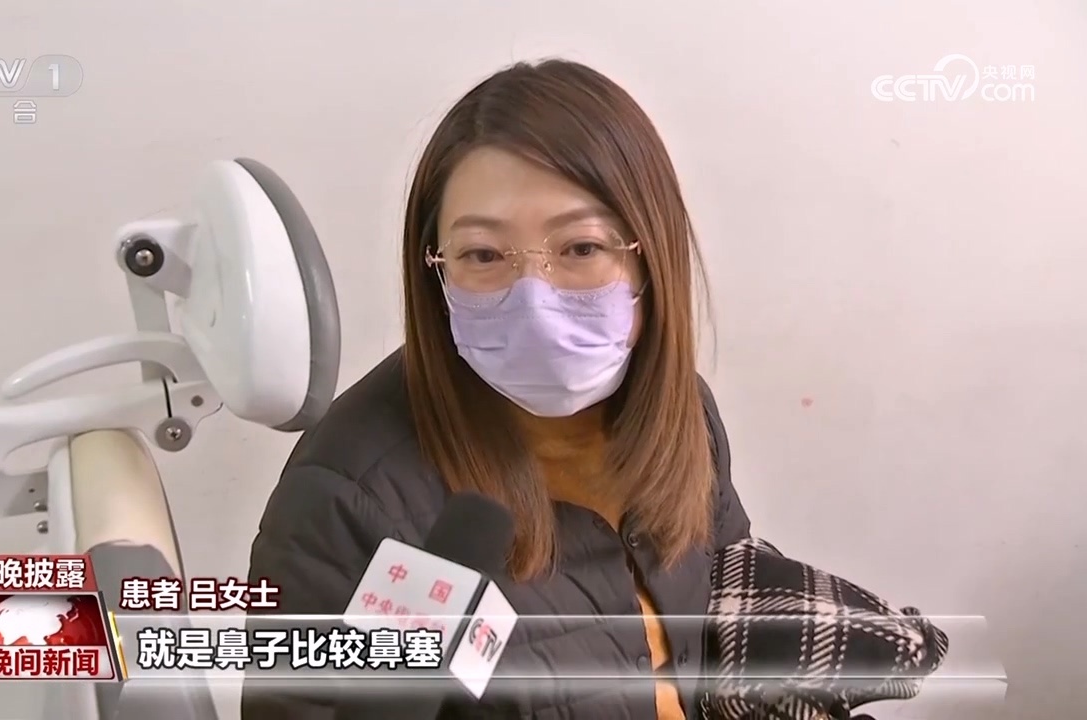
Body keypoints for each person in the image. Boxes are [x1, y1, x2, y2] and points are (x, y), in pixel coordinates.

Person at [242, 58, 752, 720]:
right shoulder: (350, 497)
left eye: (580, 248)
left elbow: (734, 606)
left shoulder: (683, 413)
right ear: (437, 270)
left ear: (649, 253)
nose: (534, 302)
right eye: (483, 255)